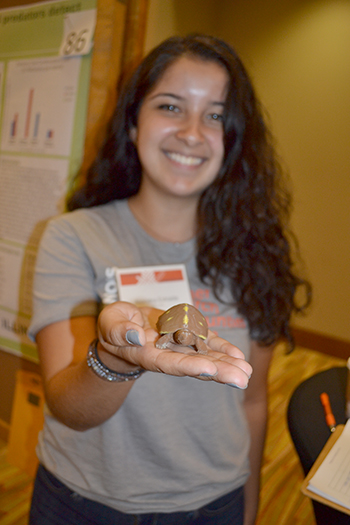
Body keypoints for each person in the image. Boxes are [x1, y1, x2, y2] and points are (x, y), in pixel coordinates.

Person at [28, 34, 310, 525]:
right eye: (171, 106)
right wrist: (115, 356)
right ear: (134, 122)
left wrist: (248, 506)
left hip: (212, 504)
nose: (193, 132)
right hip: (83, 504)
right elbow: (66, 405)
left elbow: (254, 399)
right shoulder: (72, 236)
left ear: (234, 138)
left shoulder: (256, 252)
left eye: (216, 115)